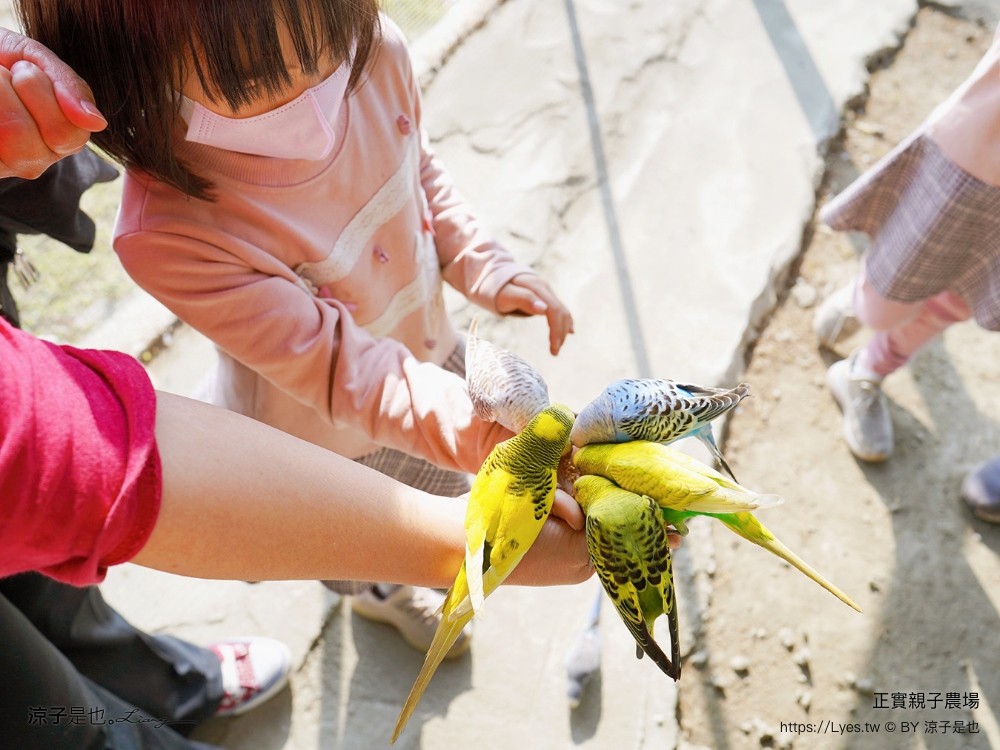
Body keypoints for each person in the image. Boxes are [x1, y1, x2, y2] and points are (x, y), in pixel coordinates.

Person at [0, 24, 591, 749]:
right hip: (324, 435)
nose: (317, 81)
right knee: (365, 531)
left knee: (435, 491)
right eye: (254, 70)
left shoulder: (372, 57)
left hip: (432, 359)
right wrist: (475, 433)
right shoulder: (171, 231)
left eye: (325, 32)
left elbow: (417, 171)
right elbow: (339, 366)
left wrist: (481, 262)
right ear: (131, 79)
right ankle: (374, 589)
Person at [811, 23, 1000, 521]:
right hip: (976, 164)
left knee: (958, 298)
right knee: (890, 293)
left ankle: (863, 372)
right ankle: (862, 295)